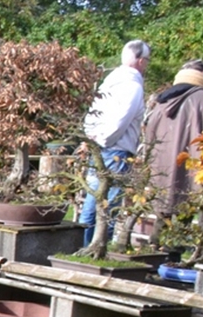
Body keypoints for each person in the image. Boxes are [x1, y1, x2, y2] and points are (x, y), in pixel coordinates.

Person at [79, 39, 152, 240]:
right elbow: (122, 120)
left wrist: (92, 137)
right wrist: (106, 140)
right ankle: (96, 246)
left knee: (93, 200)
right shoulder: (132, 86)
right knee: (107, 206)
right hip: (115, 149)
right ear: (139, 61)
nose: (147, 65)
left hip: (100, 145)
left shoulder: (110, 81)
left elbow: (92, 114)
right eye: (147, 60)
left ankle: (81, 245)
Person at [142, 60, 203, 217]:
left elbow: (148, 136)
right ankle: (186, 238)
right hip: (192, 170)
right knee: (188, 210)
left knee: (163, 211)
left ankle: (156, 240)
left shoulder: (162, 100)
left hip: (160, 170)